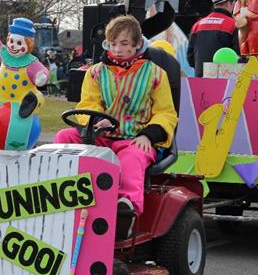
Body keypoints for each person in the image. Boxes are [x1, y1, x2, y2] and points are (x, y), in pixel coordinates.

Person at [54, 15, 177, 236]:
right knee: (64, 137)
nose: (117, 49)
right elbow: (88, 103)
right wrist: (95, 121)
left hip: (134, 139)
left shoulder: (156, 74)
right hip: (100, 136)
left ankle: (125, 212)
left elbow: (165, 113)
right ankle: (59, 197)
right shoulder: (95, 72)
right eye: (113, 44)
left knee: (132, 157)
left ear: (137, 44)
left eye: (123, 44)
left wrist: (148, 135)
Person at [187, 0, 240, 77]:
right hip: (225, 78)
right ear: (228, 3)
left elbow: (190, 57)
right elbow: (238, 55)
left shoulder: (197, 25)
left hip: (200, 78)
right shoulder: (233, 24)